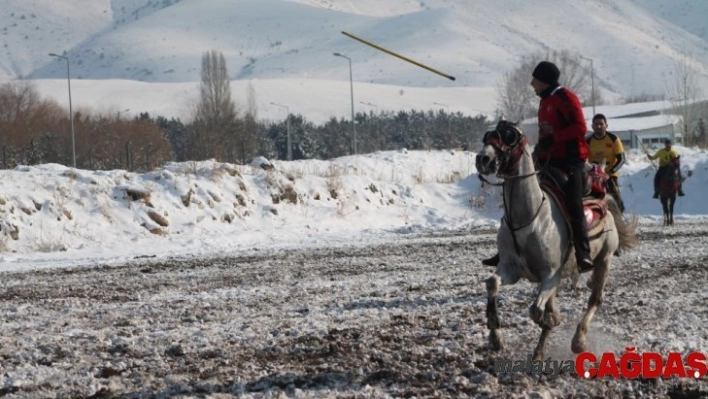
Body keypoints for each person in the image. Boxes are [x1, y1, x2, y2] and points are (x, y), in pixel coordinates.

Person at [483, 61, 594, 273]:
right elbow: (546, 135)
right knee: (518, 195)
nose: (532, 83)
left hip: (571, 161)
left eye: (535, 79)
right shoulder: (544, 101)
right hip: (548, 160)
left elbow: (580, 128)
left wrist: (555, 139)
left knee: (573, 203)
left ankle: (583, 253)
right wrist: (539, 151)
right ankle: (505, 251)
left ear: (544, 80)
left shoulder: (565, 97)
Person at [586, 113, 626, 212]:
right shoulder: (587, 141)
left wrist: (609, 173)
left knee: (617, 200)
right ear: (592, 126)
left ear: (606, 125)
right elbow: (583, 159)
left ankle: (619, 217)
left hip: (609, 175)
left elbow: (622, 159)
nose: (598, 126)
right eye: (596, 124)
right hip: (593, 175)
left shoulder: (614, 139)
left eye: (601, 124)